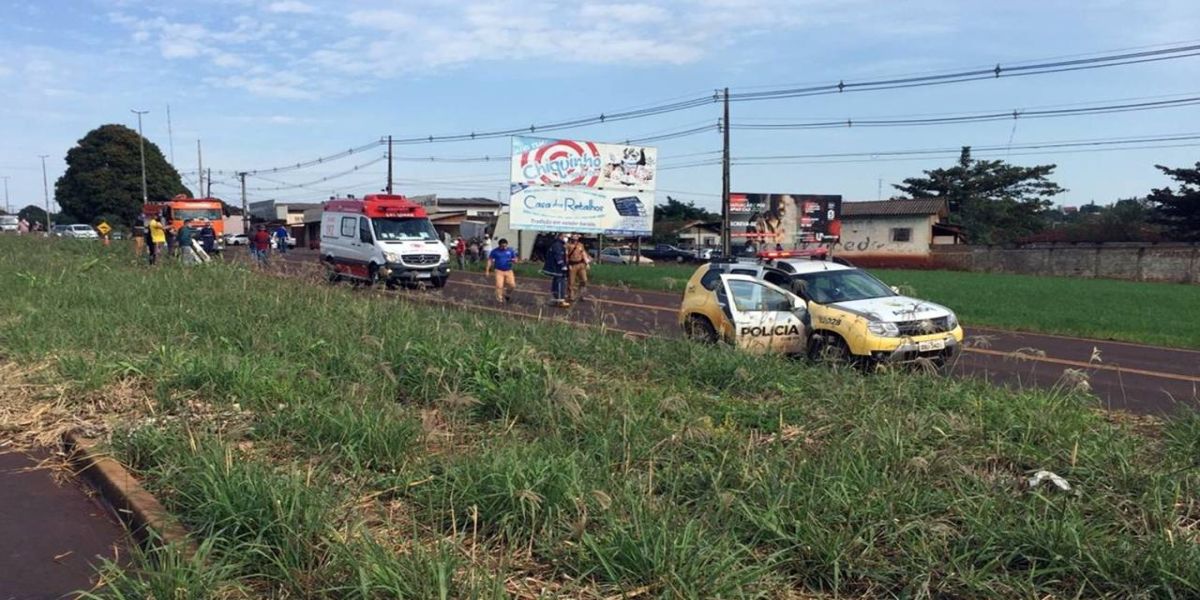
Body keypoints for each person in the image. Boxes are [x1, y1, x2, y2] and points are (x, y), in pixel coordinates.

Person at [485, 237, 518, 303]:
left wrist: (514, 260)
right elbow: (490, 260)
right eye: (502, 246)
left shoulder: (510, 250)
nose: (504, 248)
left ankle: (507, 294)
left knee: (512, 285)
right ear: (499, 245)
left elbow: (515, 259)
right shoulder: (494, 251)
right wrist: (487, 270)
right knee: (499, 285)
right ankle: (499, 299)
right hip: (499, 270)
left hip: (508, 270)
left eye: (505, 246)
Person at [542, 233, 569, 307]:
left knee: (555, 283)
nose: (566, 238)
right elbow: (558, 256)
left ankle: (555, 299)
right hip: (557, 268)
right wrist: (563, 265)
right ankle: (560, 300)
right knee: (560, 283)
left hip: (555, 268)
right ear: (561, 236)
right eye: (565, 236)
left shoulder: (558, 244)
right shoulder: (558, 245)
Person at [566, 234, 590, 302]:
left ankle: (580, 295)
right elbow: (566, 256)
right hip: (572, 265)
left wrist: (587, 263)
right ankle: (571, 296)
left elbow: (583, 254)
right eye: (574, 238)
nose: (575, 240)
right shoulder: (568, 245)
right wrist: (568, 265)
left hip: (581, 264)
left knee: (584, 280)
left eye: (576, 238)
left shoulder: (580, 245)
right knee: (571, 282)